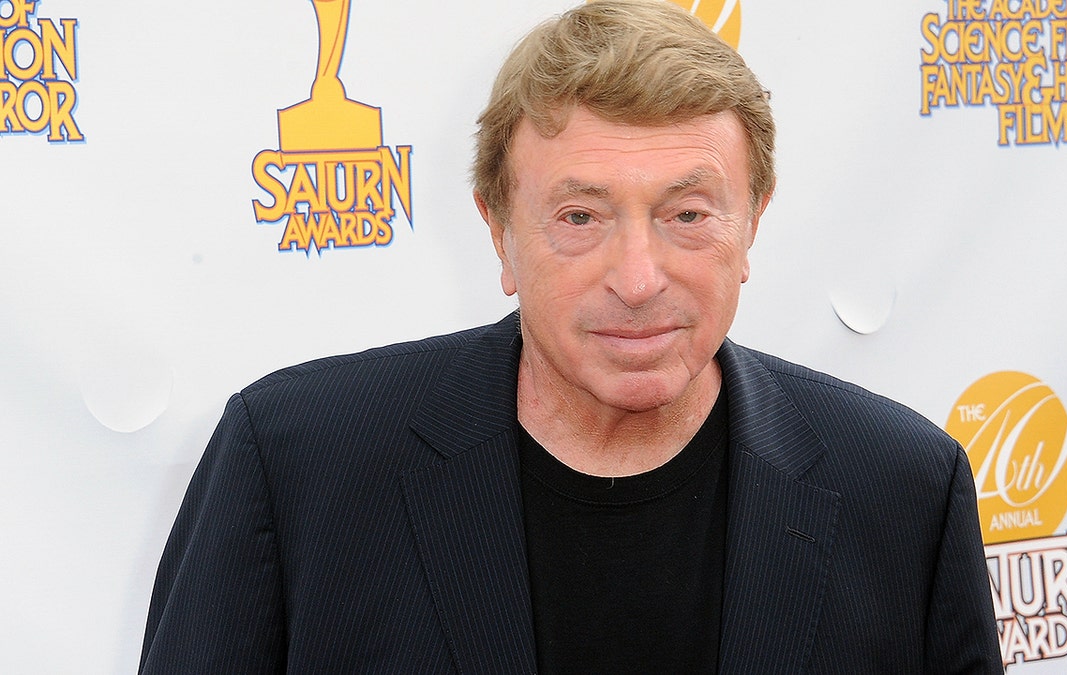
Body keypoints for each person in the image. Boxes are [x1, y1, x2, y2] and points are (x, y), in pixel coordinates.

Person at [140, 1, 1003, 672]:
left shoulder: (902, 491)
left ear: (753, 225)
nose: (637, 277)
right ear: (499, 232)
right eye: (581, 216)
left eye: (688, 214)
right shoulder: (295, 466)